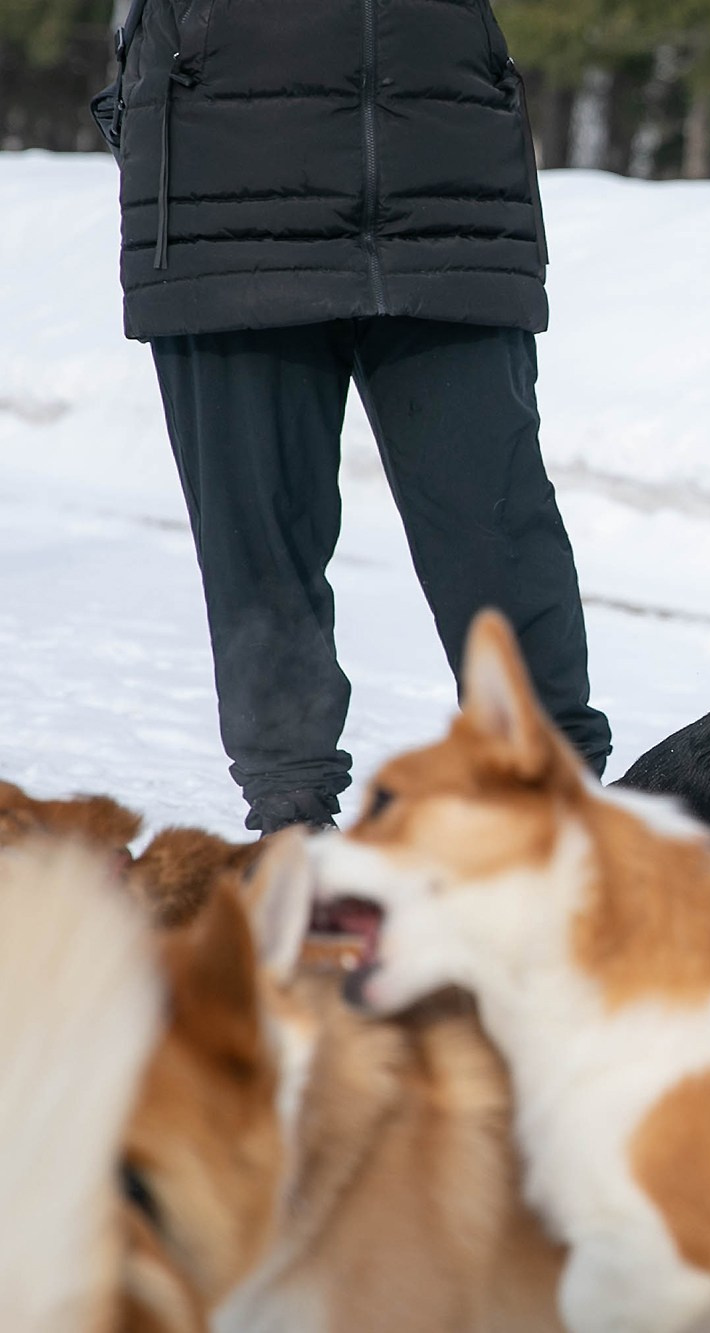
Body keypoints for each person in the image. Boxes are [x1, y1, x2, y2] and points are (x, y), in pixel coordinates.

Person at [91, 0, 612, 833]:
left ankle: (553, 799)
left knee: (497, 520)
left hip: (446, 173)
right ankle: (292, 817)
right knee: (259, 531)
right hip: (225, 179)